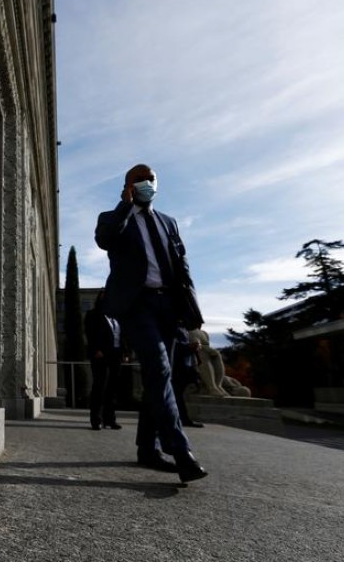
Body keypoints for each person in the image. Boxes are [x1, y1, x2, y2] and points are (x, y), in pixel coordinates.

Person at [94, 163, 208, 483]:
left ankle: (148, 447)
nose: (146, 183)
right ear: (128, 186)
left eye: (150, 179)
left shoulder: (169, 223)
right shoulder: (114, 217)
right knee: (158, 370)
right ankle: (180, 450)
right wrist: (125, 206)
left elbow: (182, 267)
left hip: (169, 306)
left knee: (163, 378)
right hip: (138, 305)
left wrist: (191, 315)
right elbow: (104, 240)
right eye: (138, 180)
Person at [84, 291, 124, 431]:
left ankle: (110, 419)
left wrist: (125, 352)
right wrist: (97, 349)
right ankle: (96, 420)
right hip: (100, 355)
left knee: (112, 388)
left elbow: (122, 335)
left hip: (116, 355)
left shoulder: (117, 316)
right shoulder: (93, 315)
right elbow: (90, 333)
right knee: (99, 386)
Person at [171, 326, 204, 428]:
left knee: (179, 395)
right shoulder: (172, 327)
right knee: (176, 394)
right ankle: (181, 419)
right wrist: (189, 347)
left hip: (186, 366)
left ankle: (182, 418)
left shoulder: (184, 329)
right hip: (176, 367)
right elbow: (172, 347)